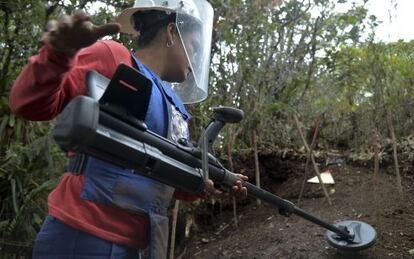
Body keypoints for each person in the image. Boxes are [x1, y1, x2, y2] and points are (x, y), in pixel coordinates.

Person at [9, 0, 248, 258]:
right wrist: (57, 55)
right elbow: (28, 105)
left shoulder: (174, 105)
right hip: (84, 234)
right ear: (171, 32)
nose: (196, 59)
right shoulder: (113, 57)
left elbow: (157, 173)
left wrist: (206, 184)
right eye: (194, 46)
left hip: (134, 246)